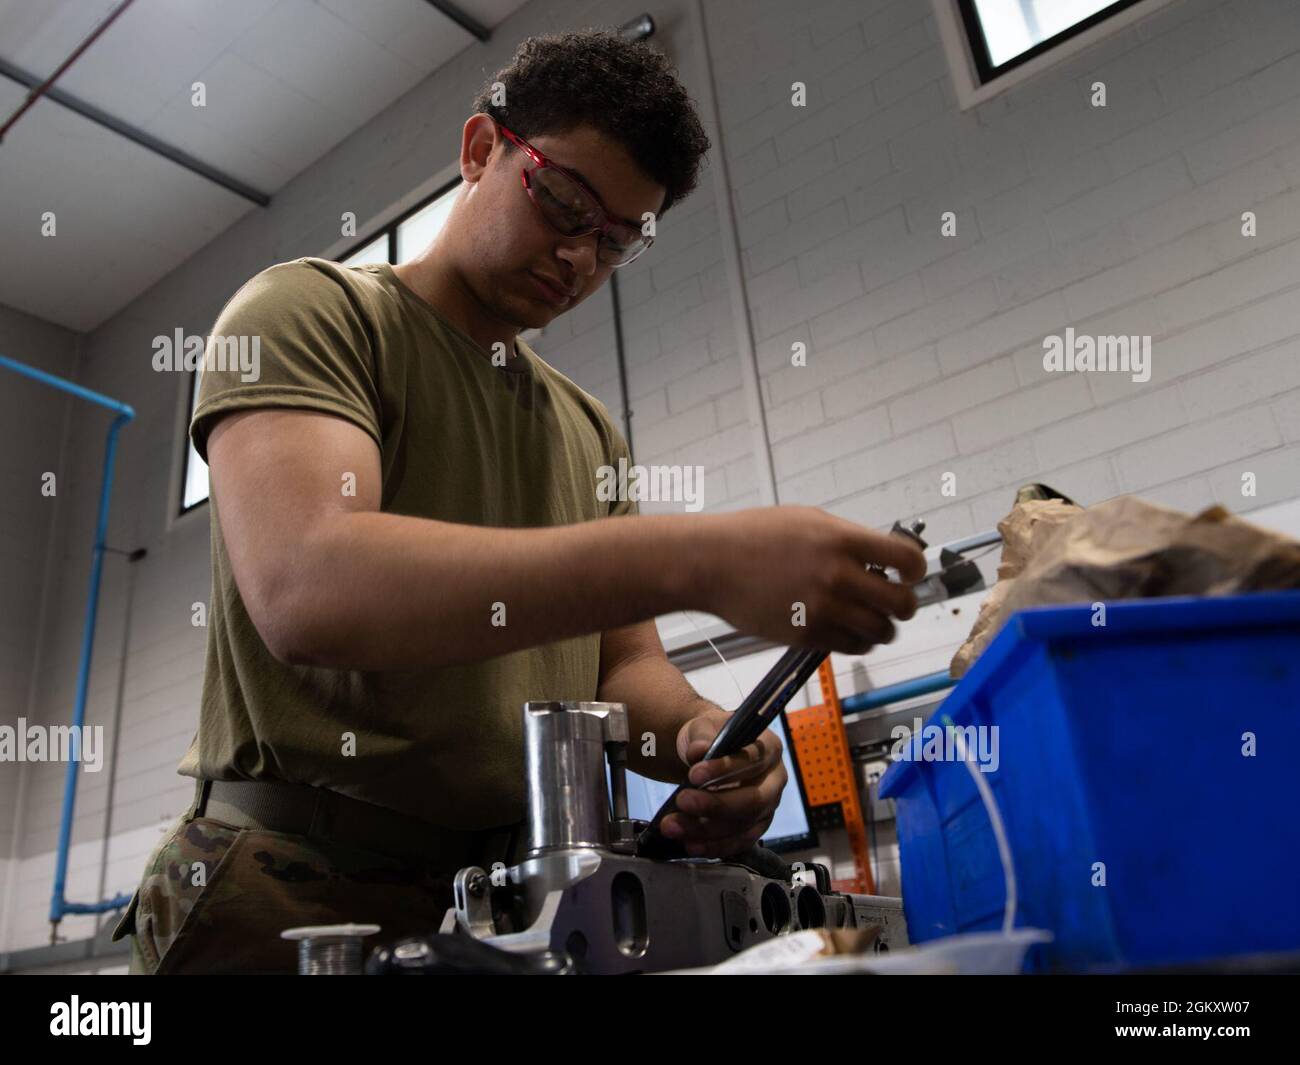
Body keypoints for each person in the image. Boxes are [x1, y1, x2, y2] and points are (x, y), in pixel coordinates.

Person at [113, 28, 923, 974]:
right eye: (565, 201)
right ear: (479, 149)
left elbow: (623, 668)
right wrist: (696, 556)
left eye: (619, 240)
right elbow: (310, 587)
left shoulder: (588, 432)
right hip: (289, 888)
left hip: (508, 908)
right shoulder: (311, 317)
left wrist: (701, 734)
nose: (581, 255)